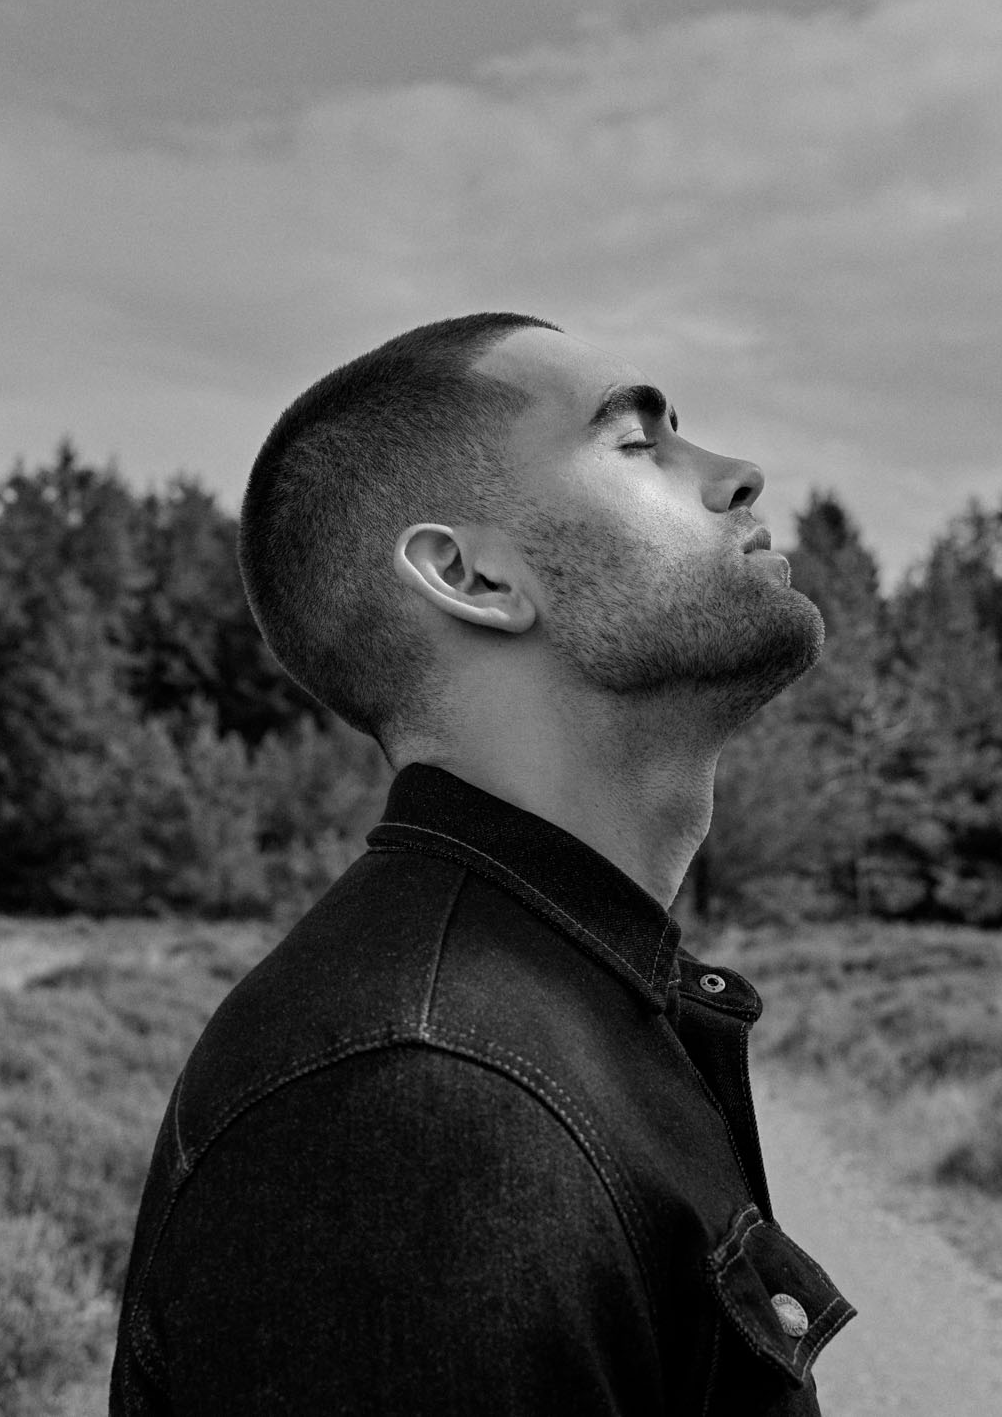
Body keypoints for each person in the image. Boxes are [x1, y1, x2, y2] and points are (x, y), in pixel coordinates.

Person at [111, 313, 853, 1415]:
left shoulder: (547, 1013)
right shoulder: (422, 1108)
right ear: (468, 574)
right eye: (636, 442)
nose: (737, 474)